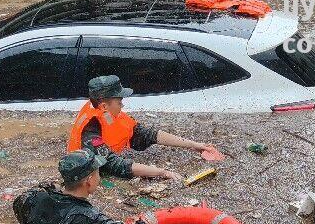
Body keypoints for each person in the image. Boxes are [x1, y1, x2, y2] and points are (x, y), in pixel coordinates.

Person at [68, 75, 220, 181]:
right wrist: (163, 172)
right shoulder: (90, 131)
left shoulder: (109, 113)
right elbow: (115, 165)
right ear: (104, 105)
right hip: (87, 173)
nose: (123, 105)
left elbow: (148, 134)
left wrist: (194, 145)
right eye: (119, 101)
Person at [13, 149, 155, 224]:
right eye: (97, 174)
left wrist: (50, 187)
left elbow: (19, 202)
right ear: (89, 180)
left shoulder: (36, 199)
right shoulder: (88, 218)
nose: (99, 178)